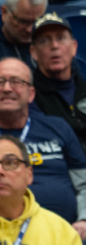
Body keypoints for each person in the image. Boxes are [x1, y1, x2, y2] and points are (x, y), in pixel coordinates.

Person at [0, 57, 86, 234]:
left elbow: (84, 184)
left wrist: (84, 219)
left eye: (16, 81)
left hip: (68, 232)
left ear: (31, 94)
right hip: (2, 233)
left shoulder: (58, 127)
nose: (6, 88)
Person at [30, 12, 86, 155]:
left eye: (60, 38)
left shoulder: (83, 87)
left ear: (74, 47)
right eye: (44, 41)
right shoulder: (28, 96)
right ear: (33, 52)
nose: (54, 46)